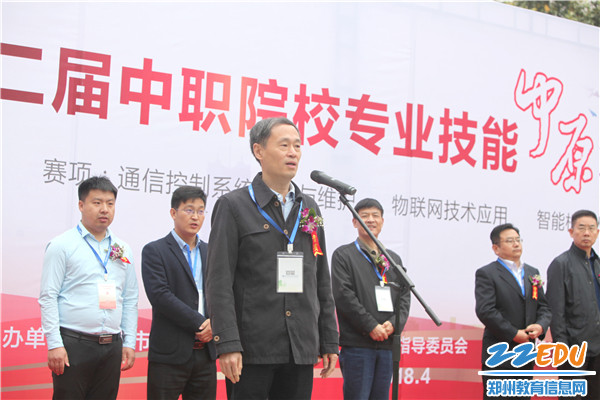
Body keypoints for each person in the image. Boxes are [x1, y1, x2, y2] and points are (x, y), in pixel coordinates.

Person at [205, 117, 339, 399]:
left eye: (298, 146)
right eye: (284, 145)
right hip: (252, 348)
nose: (293, 153)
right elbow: (218, 281)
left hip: (299, 346)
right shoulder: (234, 205)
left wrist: (329, 339)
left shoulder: (309, 208)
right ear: (259, 151)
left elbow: (320, 278)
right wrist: (227, 343)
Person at [38, 176, 139, 400]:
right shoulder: (62, 245)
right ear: (81, 205)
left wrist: (129, 342)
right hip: (74, 344)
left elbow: (130, 298)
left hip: (112, 345)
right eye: (97, 202)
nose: (105, 209)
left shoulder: (122, 248)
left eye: (110, 203)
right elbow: (48, 296)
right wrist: (54, 344)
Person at [331, 198, 411, 400]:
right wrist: (371, 326)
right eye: (364, 216)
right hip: (358, 345)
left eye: (375, 216)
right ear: (354, 222)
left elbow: (404, 297)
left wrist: (393, 324)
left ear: (382, 221)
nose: (370, 220)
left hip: (387, 345)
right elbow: (343, 295)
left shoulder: (393, 259)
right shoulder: (344, 255)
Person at [141, 186, 216, 399]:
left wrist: (215, 322)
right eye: (189, 210)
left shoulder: (211, 251)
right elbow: (160, 296)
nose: (196, 217)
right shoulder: (155, 251)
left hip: (206, 354)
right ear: (173, 213)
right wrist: (200, 323)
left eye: (200, 211)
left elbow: (222, 292)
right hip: (169, 355)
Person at [475, 223, 551, 400]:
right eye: (510, 241)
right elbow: (485, 310)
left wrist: (540, 326)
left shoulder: (532, 272)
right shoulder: (487, 273)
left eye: (518, 240)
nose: (516, 244)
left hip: (526, 353)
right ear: (496, 248)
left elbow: (544, 307)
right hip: (499, 353)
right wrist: (513, 334)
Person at [547, 210, 600, 399]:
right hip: (573, 349)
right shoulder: (561, 264)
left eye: (591, 228)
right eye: (581, 228)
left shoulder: (597, 263)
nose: (587, 233)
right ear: (571, 232)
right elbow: (555, 311)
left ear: (597, 232)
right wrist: (563, 348)